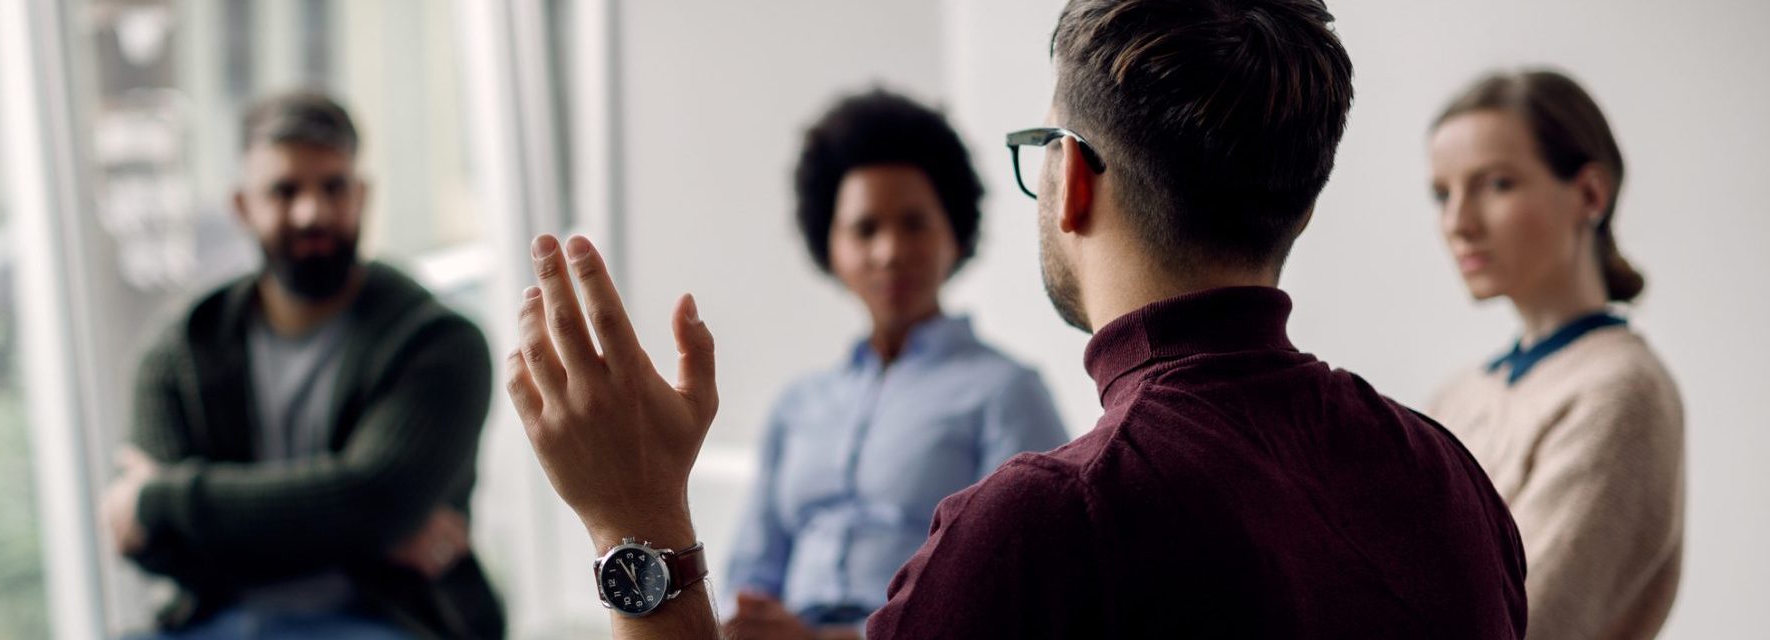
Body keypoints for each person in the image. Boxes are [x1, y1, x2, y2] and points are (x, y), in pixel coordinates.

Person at [502, 0, 1527, 637]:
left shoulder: (1043, 526)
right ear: (1300, 200)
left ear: (1068, 179)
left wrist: (635, 528)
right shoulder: (1448, 478)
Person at [100, 91, 505, 639]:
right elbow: (151, 547)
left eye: (333, 187)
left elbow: (372, 503)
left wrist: (166, 499)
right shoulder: (177, 353)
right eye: (284, 191)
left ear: (362, 197)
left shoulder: (438, 343)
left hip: (384, 620)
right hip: (214, 621)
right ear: (242, 206)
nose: (311, 211)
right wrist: (354, 529)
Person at [720, 90, 1067, 640]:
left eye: (914, 223)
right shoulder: (797, 405)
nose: (889, 251)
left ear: (954, 233)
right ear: (830, 245)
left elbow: (1014, 591)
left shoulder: (1006, 393)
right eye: (864, 229)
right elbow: (750, 577)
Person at [1427, 69, 1684, 640]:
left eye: (1496, 184)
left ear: (1590, 194)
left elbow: (1523, 625)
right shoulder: (1458, 395)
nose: (1458, 222)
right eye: (1443, 193)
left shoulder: (1620, 392)